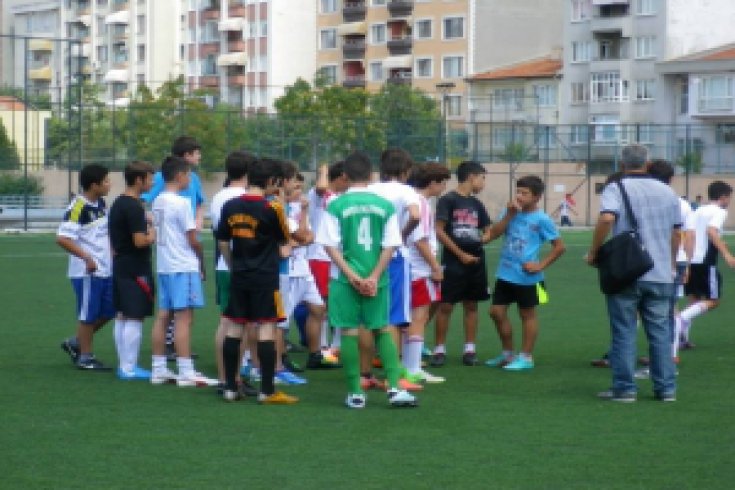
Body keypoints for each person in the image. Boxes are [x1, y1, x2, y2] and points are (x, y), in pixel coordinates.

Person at [316, 151, 417, 409]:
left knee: (349, 331)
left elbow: (329, 246)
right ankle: (394, 389)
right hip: (377, 279)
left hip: (343, 280)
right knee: (382, 328)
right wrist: (372, 276)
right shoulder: (383, 206)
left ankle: (355, 392)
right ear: (371, 176)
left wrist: (352, 276)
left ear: (346, 176)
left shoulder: (336, 205)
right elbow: (391, 245)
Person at [587, 144, 681, 403]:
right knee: (661, 333)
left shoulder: (616, 188)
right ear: (648, 163)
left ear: (621, 164)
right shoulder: (668, 191)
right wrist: (671, 264)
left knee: (624, 331)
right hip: (660, 272)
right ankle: (665, 389)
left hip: (627, 271)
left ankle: (625, 388)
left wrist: (594, 251)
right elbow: (676, 233)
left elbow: (607, 218)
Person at [217, 158, 298, 404]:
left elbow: (223, 242)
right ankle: (267, 391)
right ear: (272, 182)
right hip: (265, 277)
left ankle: (230, 387)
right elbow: (285, 245)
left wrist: (234, 266)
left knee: (234, 327)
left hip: (240, 276)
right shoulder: (272, 208)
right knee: (265, 328)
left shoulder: (230, 205)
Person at [431, 161, 514, 367]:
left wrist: (486, 236)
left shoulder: (477, 204)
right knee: (446, 305)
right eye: (482, 178)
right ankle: (439, 349)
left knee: (471, 304)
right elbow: (439, 230)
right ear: (471, 177)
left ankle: (470, 349)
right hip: (453, 261)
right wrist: (460, 254)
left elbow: (488, 230)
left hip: (475, 262)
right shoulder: (448, 200)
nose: (483, 182)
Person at [486, 176, 565, 371]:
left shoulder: (542, 219)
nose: (519, 196)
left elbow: (559, 247)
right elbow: (493, 234)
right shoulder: (509, 212)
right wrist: (508, 215)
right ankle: (507, 354)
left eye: (525, 193)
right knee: (496, 312)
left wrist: (541, 265)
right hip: (505, 273)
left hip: (529, 278)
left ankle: (526, 357)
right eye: (518, 192)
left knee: (527, 314)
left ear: (536, 197)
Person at [149, 156, 215, 387]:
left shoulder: (157, 201)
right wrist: (200, 261)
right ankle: (186, 371)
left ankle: (158, 368)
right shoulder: (180, 203)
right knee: (184, 318)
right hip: (182, 264)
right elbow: (192, 238)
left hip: (165, 265)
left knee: (164, 316)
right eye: (188, 174)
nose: (190, 179)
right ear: (179, 176)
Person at [142, 136, 205, 360]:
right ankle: (179, 356)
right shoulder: (165, 183)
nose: (199, 157)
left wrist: (198, 218)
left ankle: (164, 358)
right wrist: (154, 221)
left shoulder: (193, 180)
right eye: (196, 153)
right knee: (182, 313)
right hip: (181, 254)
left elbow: (199, 202)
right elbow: (145, 200)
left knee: (168, 311)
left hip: (174, 252)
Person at [366, 148, 422, 391]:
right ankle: (393, 375)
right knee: (395, 317)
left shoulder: (369, 190)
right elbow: (416, 215)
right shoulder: (405, 190)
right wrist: (401, 235)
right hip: (394, 258)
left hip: (367, 257)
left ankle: (365, 374)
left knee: (368, 317)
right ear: (406, 170)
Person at [209, 150, 258, 397]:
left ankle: (226, 377)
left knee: (227, 321)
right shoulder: (245, 197)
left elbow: (220, 235)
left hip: (225, 264)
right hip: (244, 266)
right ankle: (234, 377)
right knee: (240, 324)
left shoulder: (219, 196)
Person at [57, 164, 114, 370]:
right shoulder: (77, 208)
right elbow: (63, 238)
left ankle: (76, 342)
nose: (110, 184)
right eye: (106, 181)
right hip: (87, 272)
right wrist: (86, 258)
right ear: (94, 185)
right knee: (88, 314)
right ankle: (86, 357)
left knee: (110, 309)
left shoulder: (101, 203)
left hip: (105, 269)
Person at [108, 161, 157, 380]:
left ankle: (124, 364)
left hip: (121, 265)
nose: (153, 182)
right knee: (135, 316)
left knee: (122, 315)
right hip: (136, 266)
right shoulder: (134, 207)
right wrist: (152, 234)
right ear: (139, 180)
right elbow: (139, 241)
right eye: (150, 178)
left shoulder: (118, 203)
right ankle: (129, 367)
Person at [403, 163, 451, 384]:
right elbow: (420, 240)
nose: (443, 187)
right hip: (418, 269)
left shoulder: (412, 198)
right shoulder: (420, 203)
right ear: (433, 183)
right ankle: (412, 368)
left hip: (410, 267)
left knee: (412, 317)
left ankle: (408, 365)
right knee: (418, 317)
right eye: (442, 183)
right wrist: (434, 267)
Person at [678, 181, 735, 348]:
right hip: (705, 260)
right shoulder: (719, 211)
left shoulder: (699, 209)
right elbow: (711, 231)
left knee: (694, 299)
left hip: (690, 258)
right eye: (729, 197)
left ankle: (682, 338)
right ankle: (679, 319)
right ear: (723, 197)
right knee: (714, 300)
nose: (729, 201)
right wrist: (727, 254)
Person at [305, 161, 348, 368]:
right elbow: (322, 187)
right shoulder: (318, 194)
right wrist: (323, 169)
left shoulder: (341, 198)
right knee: (321, 304)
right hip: (319, 256)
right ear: (341, 177)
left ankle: (335, 346)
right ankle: (322, 347)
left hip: (337, 257)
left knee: (337, 302)